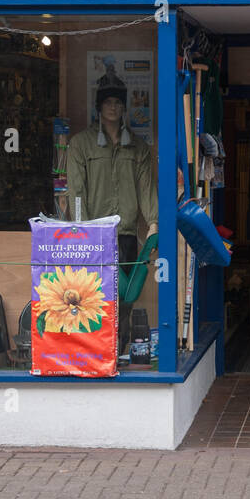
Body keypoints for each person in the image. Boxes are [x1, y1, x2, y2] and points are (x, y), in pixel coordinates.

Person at [66, 72, 157, 350]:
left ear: (124, 106)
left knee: (126, 299)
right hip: (95, 237)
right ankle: (96, 351)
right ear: (98, 106)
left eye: (118, 101)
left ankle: (121, 350)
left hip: (126, 234)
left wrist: (153, 222)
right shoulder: (81, 144)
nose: (113, 107)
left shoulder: (137, 147)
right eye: (107, 101)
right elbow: (76, 190)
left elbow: (146, 186)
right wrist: (81, 229)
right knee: (95, 297)